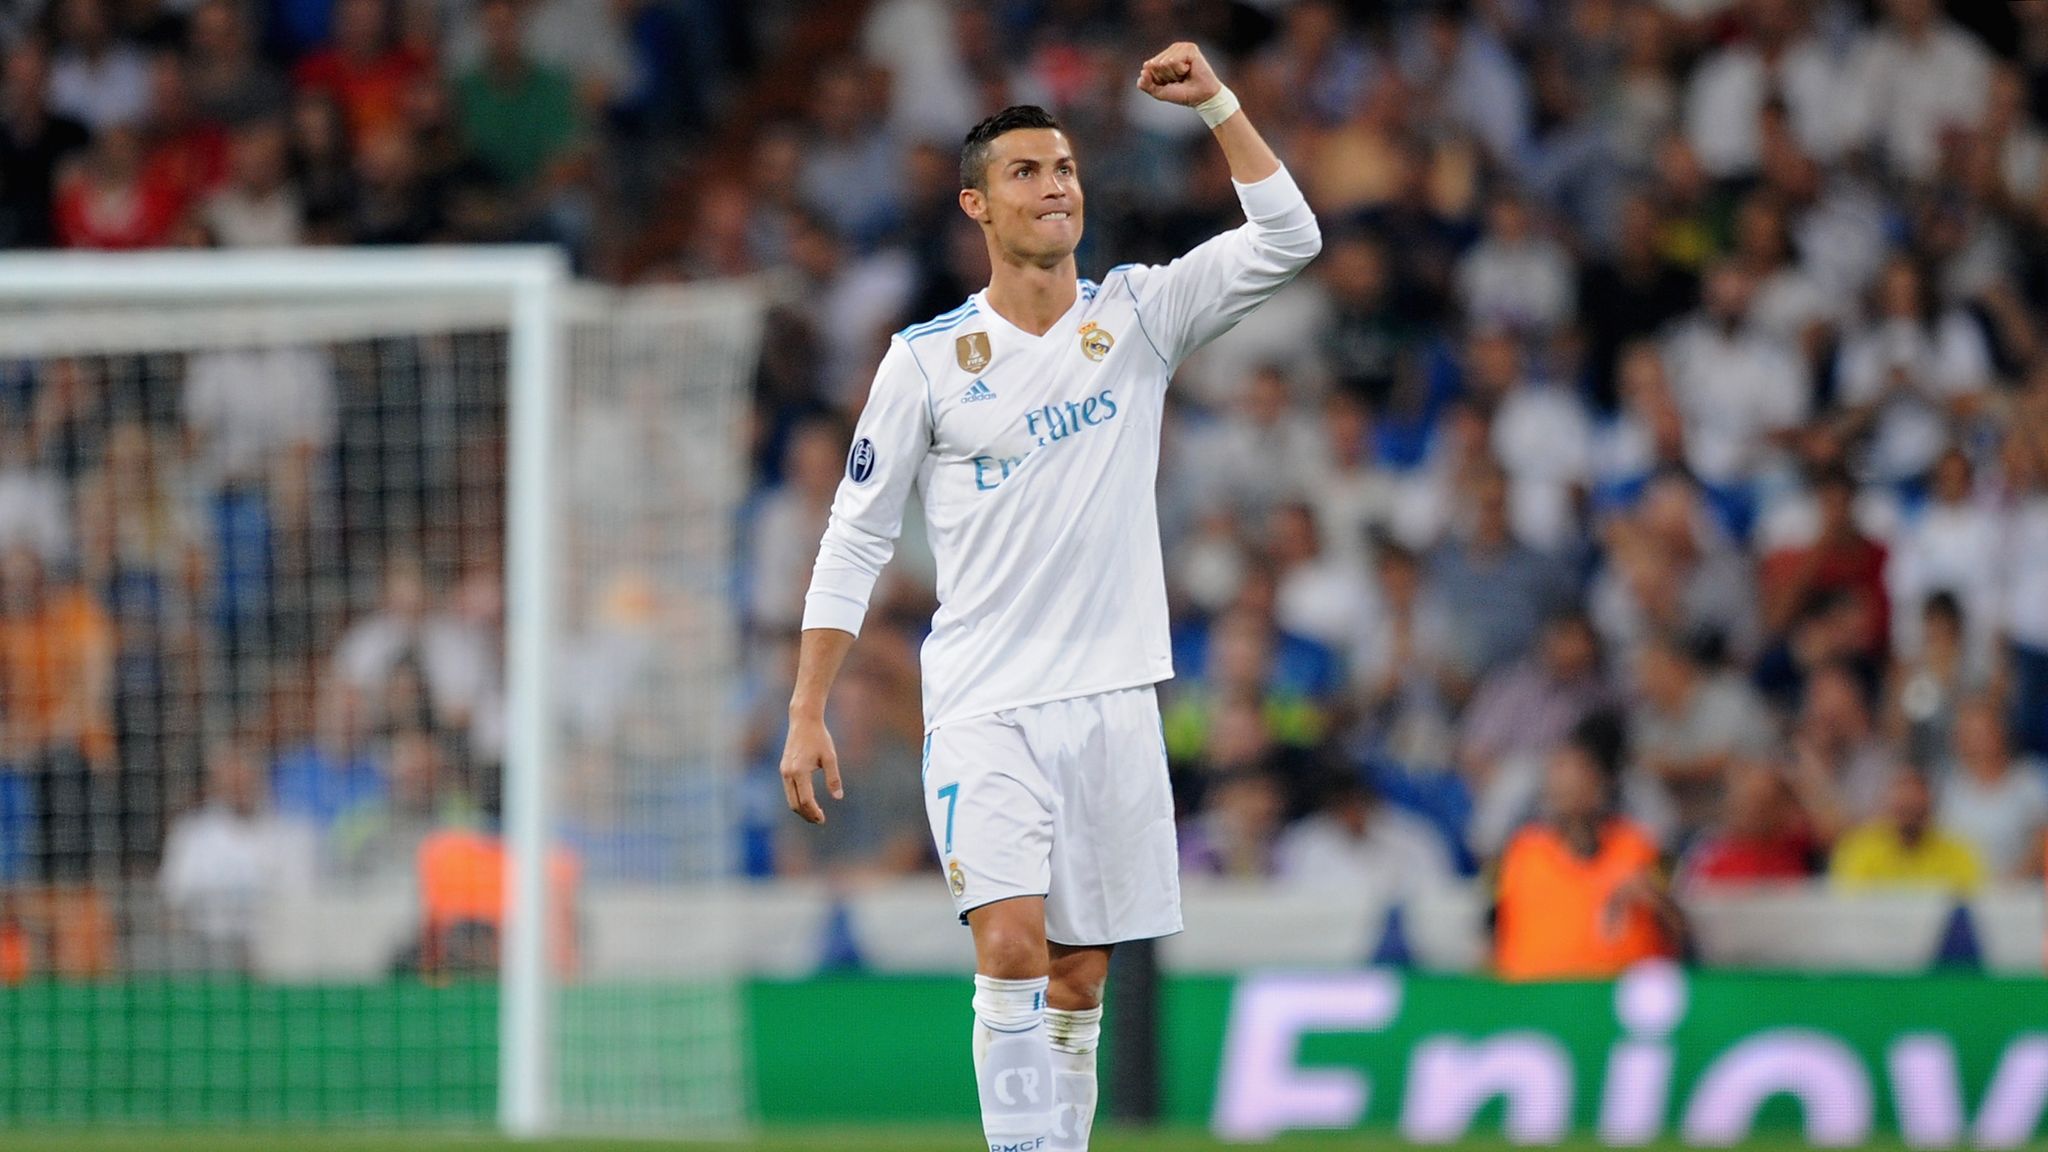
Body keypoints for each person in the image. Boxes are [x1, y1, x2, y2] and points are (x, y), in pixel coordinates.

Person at [778, 44, 1320, 1152]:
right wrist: (805, 706)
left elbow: (1289, 238)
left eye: (1066, 167)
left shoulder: (1140, 316)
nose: (1057, 185)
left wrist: (1218, 103)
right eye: (1027, 171)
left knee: (1077, 981)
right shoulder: (924, 362)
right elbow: (854, 535)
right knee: (1013, 949)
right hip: (983, 706)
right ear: (977, 204)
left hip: (1117, 701)